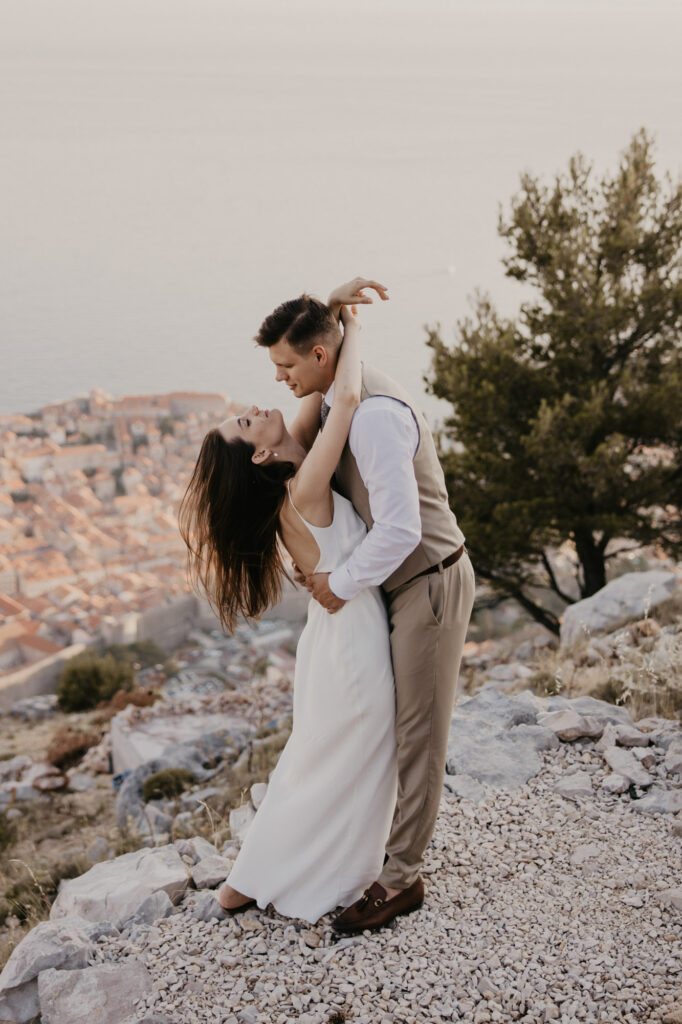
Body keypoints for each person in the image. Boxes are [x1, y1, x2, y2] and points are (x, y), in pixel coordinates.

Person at [256, 277, 476, 933]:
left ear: (322, 356)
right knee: (386, 724)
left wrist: (339, 582)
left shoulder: (374, 416)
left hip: (427, 583)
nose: (281, 379)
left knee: (419, 734)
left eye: (287, 365)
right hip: (393, 587)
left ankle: (401, 877)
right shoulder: (332, 400)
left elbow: (403, 530)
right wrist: (335, 310)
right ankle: (372, 843)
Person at [179, 299, 398, 924]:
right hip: (350, 647)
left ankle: (248, 881)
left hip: (331, 641)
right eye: (246, 424)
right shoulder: (302, 485)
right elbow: (346, 397)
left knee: (315, 762)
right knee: (345, 762)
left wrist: (328, 312)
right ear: (257, 456)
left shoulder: (296, 464)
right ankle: (315, 877)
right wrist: (355, 326)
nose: (254, 410)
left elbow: (318, 391)